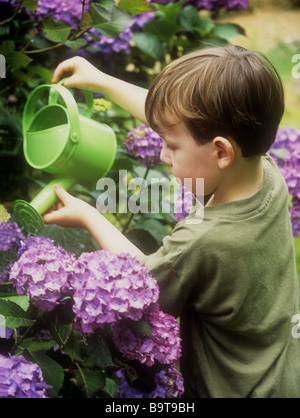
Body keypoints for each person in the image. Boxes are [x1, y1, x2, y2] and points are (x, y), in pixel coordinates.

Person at [45, 46, 300, 398]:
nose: (163, 153)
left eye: (171, 147)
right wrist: (103, 82)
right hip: (278, 370)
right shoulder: (265, 171)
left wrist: (89, 216)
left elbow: (144, 281)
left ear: (222, 152)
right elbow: (182, 124)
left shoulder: (204, 241)